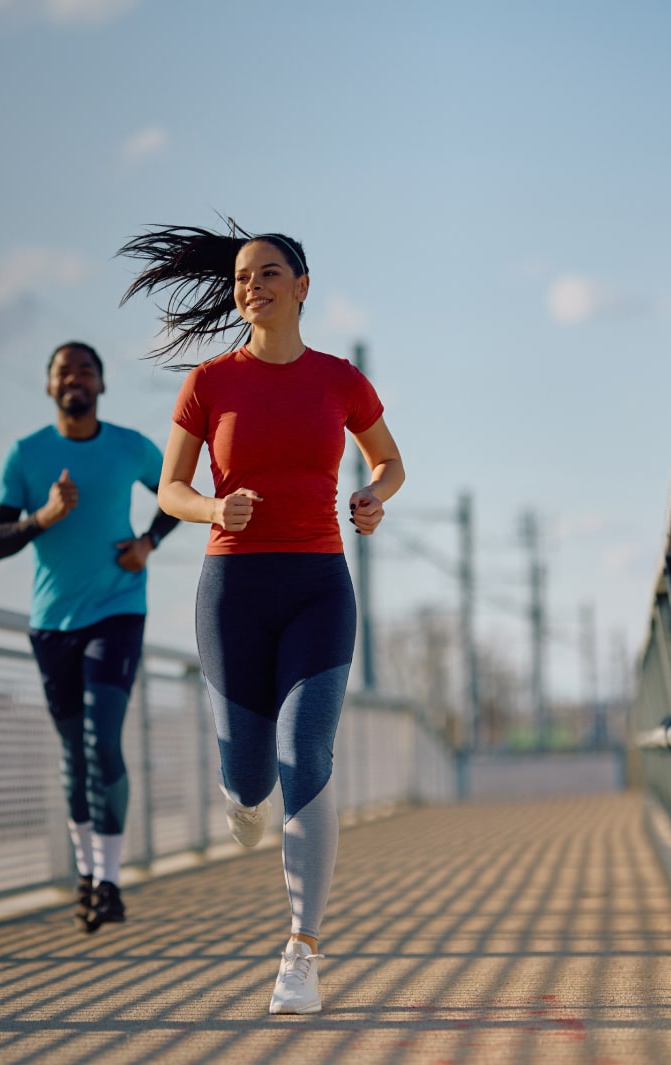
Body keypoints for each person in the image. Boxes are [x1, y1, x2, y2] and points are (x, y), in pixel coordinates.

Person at [121, 224, 404, 1014]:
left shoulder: (340, 380)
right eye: (244, 277)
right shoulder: (210, 383)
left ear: (303, 286)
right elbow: (170, 488)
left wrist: (375, 496)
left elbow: (390, 459)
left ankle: (300, 952)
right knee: (248, 772)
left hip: (319, 582)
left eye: (270, 272)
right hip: (234, 589)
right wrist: (215, 505)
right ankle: (241, 799)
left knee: (302, 748)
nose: (253, 286)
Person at [0, 340, 180, 934]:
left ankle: (112, 881)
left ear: (101, 385)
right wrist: (42, 518)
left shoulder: (127, 447)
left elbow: (175, 488)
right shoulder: (27, 454)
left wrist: (149, 543)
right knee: (74, 755)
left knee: (100, 740)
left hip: (117, 611)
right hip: (52, 623)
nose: (76, 378)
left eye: (86, 369)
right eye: (64, 371)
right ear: (49, 386)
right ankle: (88, 875)